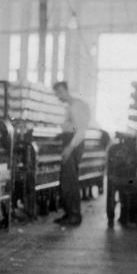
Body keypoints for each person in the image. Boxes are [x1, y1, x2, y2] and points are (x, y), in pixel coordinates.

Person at [52, 80, 91, 226]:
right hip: (71, 142)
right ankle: (69, 213)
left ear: (63, 90)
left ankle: (74, 215)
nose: (58, 97)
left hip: (74, 144)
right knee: (66, 180)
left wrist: (70, 147)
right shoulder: (71, 106)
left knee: (70, 180)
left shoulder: (76, 106)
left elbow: (81, 130)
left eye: (58, 93)